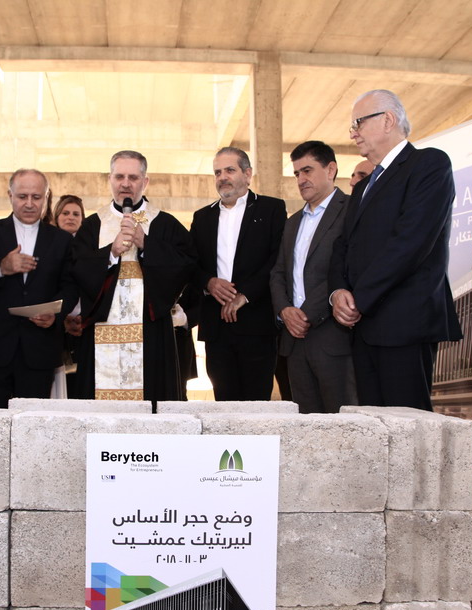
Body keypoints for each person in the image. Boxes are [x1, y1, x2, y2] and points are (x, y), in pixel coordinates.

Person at [329, 89, 462, 410]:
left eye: (358, 123)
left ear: (388, 120)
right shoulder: (363, 186)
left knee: (407, 425)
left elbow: (411, 243)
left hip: (404, 323)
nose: (353, 133)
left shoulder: (428, 164)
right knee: (372, 426)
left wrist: (359, 299)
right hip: (364, 327)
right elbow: (343, 245)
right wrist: (338, 292)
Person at [71, 150, 195, 401]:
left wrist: (146, 244)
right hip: (101, 331)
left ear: (145, 182)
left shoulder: (164, 223)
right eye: (119, 177)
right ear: (110, 179)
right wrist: (110, 253)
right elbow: (77, 269)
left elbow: (186, 266)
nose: (125, 184)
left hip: (150, 333)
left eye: (133, 177)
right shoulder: (93, 225)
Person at [0, 169, 75, 407]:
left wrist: (55, 315)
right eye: (22, 197)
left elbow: (71, 286)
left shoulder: (62, 240)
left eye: (36, 197)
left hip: (38, 351)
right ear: (10, 195)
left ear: (46, 197)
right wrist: (1, 267)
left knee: (32, 423)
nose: (29, 204)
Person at [190, 147, 286, 401]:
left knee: (256, 405)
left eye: (230, 170)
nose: (223, 177)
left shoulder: (272, 209)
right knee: (224, 402)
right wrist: (209, 283)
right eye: (217, 172)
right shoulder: (202, 217)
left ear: (247, 174)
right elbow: (191, 264)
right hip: (217, 326)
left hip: (257, 323)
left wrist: (244, 295)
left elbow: (277, 260)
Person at [270, 141, 356, 413]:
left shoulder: (352, 210)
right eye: (296, 173)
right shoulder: (292, 222)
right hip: (295, 341)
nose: (300, 179)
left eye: (307, 171)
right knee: (307, 425)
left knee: (343, 424)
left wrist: (305, 315)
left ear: (330, 170)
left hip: (332, 336)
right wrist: (285, 311)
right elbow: (278, 273)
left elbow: (347, 270)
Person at [53, 194, 87, 398]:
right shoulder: (48, 245)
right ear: (57, 216)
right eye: (65, 213)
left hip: (84, 324)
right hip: (55, 322)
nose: (70, 217)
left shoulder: (89, 247)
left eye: (76, 214)